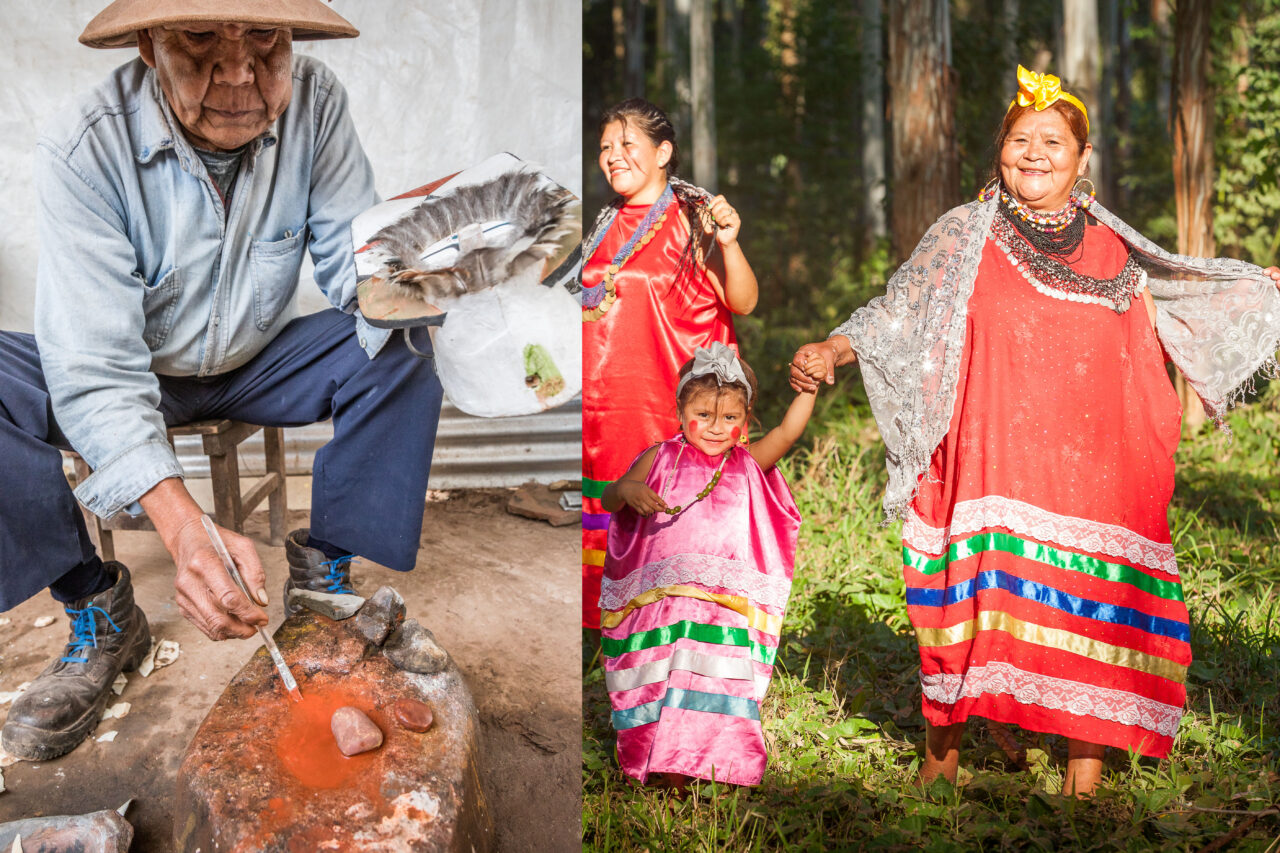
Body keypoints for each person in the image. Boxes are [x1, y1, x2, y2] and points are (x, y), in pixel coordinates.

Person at [790, 66, 1280, 796]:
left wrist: (1254, 288)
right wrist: (832, 348)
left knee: (1094, 604)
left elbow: (1181, 293)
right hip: (992, 457)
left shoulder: (1114, 247)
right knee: (973, 596)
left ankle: (1084, 769)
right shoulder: (965, 233)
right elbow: (898, 308)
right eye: (1021, 139)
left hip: (1092, 469)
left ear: (1082, 156)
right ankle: (942, 756)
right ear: (1000, 152)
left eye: (1053, 140)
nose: (1035, 152)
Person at [0, 0, 444, 761]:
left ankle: (323, 591)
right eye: (201, 38)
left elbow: (353, 270)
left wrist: (421, 262)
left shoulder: (318, 102)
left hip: (256, 359)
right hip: (132, 364)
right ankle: (96, 607)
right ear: (149, 42)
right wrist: (184, 526)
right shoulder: (86, 144)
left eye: (265, 39)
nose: (239, 73)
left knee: (401, 344)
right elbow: (97, 365)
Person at [600, 343, 823, 787]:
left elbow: (787, 434)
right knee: (660, 675)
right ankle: (660, 761)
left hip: (721, 608)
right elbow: (609, 498)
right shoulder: (661, 456)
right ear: (681, 410)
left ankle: (707, 759)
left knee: (712, 680)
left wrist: (809, 389)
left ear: (745, 418)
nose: (716, 428)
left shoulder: (747, 462)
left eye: (730, 418)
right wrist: (626, 489)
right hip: (662, 603)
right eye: (703, 415)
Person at [581, 98, 759, 630]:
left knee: (677, 520)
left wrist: (729, 244)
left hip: (671, 405)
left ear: (663, 152)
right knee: (614, 510)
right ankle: (611, 628)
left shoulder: (694, 219)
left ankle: (686, 631)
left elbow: (743, 302)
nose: (613, 157)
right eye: (605, 148)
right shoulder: (605, 222)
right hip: (609, 406)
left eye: (626, 145)